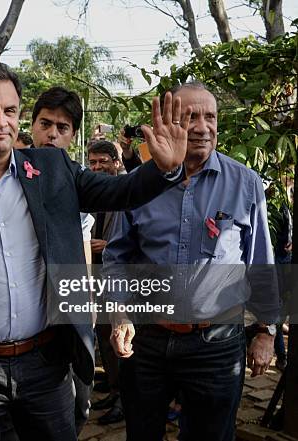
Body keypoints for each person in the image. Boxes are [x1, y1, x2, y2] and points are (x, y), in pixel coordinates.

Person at [0, 61, 190, 441]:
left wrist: (162, 168)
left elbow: (119, 192)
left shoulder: (52, 167)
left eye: (9, 111)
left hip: (47, 365)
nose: (1, 121)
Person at [103, 82, 279, 441]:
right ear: (169, 121)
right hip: (147, 341)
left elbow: (261, 262)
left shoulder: (245, 183)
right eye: (190, 116)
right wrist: (119, 313)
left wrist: (265, 331)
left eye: (210, 116)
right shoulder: (138, 184)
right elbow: (117, 255)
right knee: (142, 433)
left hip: (216, 344)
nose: (202, 127)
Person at [30, 85, 94, 434]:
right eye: (45, 124)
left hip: (67, 308)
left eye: (62, 128)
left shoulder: (77, 179)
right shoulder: (9, 173)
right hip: (24, 318)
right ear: (32, 124)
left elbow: (82, 246)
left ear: (72, 135)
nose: (51, 134)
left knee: (78, 403)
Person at [86, 140, 125, 425]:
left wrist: (108, 244)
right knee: (103, 333)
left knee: (120, 336)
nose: (97, 167)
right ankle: (113, 388)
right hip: (97, 275)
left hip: (121, 279)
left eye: (103, 161)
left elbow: (138, 237)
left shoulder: (127, 189)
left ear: (116, 162)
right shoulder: (94, 191)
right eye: (93, 162)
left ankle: (125, 400)